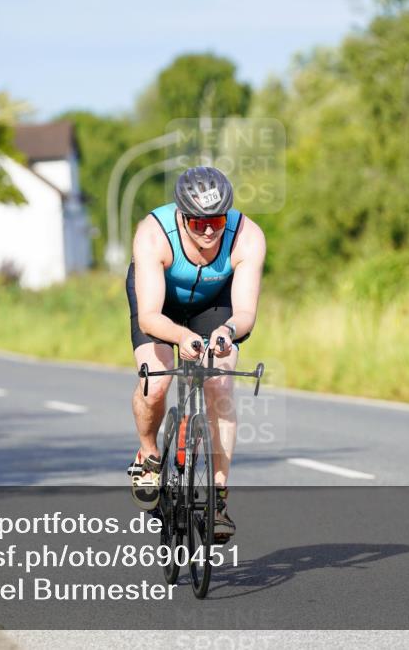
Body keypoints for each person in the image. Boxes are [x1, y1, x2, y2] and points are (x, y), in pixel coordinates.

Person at [126, 166, 266, 543]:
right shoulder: (154, 235)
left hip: (215, 305)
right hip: (161, 306)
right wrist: (182, 336)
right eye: (198, 222)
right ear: (180, 215)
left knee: (220, 385)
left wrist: (227, 332)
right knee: (153, 383)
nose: (209, 230)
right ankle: (149, 455)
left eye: (217, 220)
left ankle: (218, 498)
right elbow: (151, 316)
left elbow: (246, 313)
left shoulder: (247, 236)